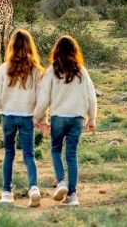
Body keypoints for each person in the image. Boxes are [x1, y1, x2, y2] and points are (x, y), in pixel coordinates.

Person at [34, 35, 97, 206]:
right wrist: (92, 118)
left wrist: (37, 118)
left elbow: (43, 99)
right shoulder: (81, 71)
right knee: (71, 154)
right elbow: (91, 97)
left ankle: (61, 181)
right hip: (77, 118)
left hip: (59, 117)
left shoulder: (52, 71)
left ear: (56, 51)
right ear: (75, 52)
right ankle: (73, 195)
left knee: (55, 150)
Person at [0, 29, 45, 207]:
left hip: (8, 116)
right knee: (29, 154)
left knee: (9, 154)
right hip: (27, 116)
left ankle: (6, 192)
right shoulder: (35, 70)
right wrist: (43, 120)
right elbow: (41, 98)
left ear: (11, 46)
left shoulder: (4, 69)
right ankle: (33, 187)